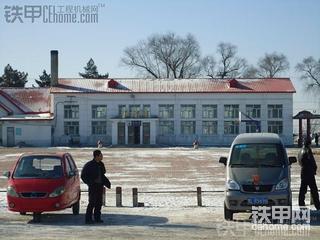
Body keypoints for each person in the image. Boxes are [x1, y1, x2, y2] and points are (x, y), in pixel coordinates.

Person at [81, 150, 111, 224]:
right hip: (93, 186)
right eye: (101, 155)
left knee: (99, 203)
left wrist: (106, 182)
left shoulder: (101, 164)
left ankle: (97, 218)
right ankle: (88, 219)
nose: (102, 157)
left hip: (100, 186)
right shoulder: (89, 165)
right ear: (96, 156)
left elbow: (103, 173)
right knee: (92, 203)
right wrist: (90, 183)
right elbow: (83, 176)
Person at [298, 138, 320, 210]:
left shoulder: (301, 150)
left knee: (303, 190)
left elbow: (300, 161)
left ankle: (301, 204)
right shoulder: (307, 150)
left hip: (303, 172)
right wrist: (314, 168)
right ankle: (318, 205)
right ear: (309, 144)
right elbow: (311, 161)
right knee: (314, 190)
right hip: (309, 173)